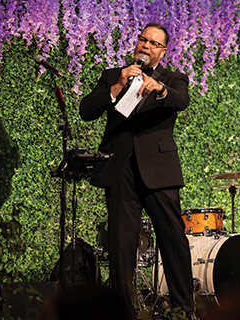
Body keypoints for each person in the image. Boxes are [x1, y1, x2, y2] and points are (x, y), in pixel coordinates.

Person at [79, 23, 194, 317]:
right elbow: (86, 110)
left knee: (173, 238)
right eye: (143, 39)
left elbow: (181, 100)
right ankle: (122, 311)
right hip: (120, 170)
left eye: (154, 43)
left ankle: (184, 309)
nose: (146, 45)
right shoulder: (111, 76)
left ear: (162, 51)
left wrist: (160, 89)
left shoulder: (173, 78)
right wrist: (116, 87)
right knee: (121, 246)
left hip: (158, 171)